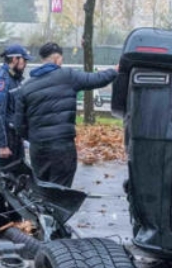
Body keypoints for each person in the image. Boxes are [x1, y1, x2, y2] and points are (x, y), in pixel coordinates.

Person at [14, 42, 118, 187]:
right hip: (61, 146)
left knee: (42, 189)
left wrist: (35, 136)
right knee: (61, 191)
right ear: (58, 59)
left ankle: (43, 210)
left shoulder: (26, 87)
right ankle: (56, 210)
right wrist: (115, 71)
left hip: (37, 148)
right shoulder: (67, 76)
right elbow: (96, 79)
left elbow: (19, 124)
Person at [0, 44, 32, 170]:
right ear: (15, 59)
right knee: (7, 179)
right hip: (7, 137)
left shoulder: (14, 78)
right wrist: (2, 145)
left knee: (20, 176)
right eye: (24, 60)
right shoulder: (1, 80)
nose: (26, 64)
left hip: (15, 135)